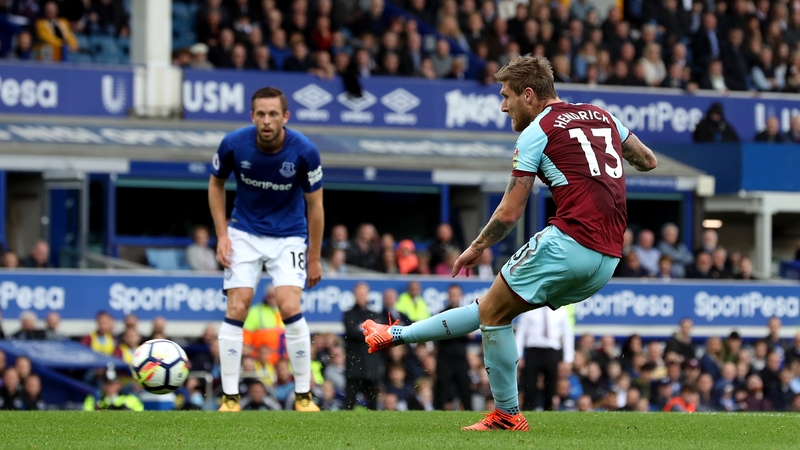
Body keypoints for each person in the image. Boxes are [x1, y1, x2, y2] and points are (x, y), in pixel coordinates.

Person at [361, 55, 657, 431]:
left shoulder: (536, 131)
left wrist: (476, 246)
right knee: (492, 311)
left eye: (506, 96)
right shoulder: (602, 116)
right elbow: (647, 160)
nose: (503, 106)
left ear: (529, 95)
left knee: (493, 316)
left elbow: (508, 213)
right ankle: (395, 334)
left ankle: (506, 414)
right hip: (607, 260)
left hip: (569, 243)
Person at [209, 87, 324, 412]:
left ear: (285, 117)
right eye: (261, 114)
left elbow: (316, 207)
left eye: (273, 114)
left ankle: (303, 396)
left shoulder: (304, 151)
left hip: (289, 235)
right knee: (237, 307)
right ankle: (230, 398)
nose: (267, 120)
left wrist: (313, 256)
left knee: (289, 306)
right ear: (252, 116)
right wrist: (222, 235)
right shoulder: (234, 144)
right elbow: (215, 184)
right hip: (243, 232)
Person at [515, 304, 574, 411]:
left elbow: (567, 335)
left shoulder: (562, 312)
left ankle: (549, 410)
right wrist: (518, 356)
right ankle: (527, 410)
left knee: (551, 384)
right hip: (533, 350)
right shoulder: (529, 310)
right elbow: (521, 333)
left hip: (552, 351)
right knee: (529, 384)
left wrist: (568, 359)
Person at [342, 282, 384, 410]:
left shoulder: (375, 314)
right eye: (358, 294)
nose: (361, 297)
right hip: (354, 363)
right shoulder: (348, 314)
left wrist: (360, 329)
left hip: (371, 363)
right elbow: (351, 332)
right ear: (354, 296)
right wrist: (369, 331)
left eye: (363, 294)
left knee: (373, 402)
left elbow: (378, 335)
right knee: (350, 400)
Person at [434, 284, 474, 411]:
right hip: (444, 357)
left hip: (460, 357)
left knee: (465, 389)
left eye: (456, 294)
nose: (454, 297)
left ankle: (468, 413)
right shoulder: (441, 314)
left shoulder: (466, 313)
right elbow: (437, 336)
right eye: (452, 294)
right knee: (442, 389)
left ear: (460, 296)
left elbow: (471, 335)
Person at [243, 284, 285, 366]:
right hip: (260, 360)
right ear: (266, 296)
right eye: (270, 296)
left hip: (281, 361)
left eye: (274, 296)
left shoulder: (283, 311)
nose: (272, 298)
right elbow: (246, 335)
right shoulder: (256, 311)